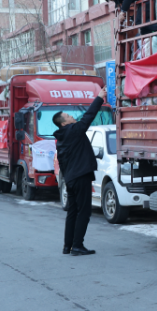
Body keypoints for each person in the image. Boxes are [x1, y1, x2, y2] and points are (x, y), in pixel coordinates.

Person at [53, 87, 106, 256]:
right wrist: (99, 98)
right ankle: (77, 246)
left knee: (73, 211)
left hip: (71, 179)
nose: (72, 116)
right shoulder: (73, 131)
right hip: (81, 177)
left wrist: (68, 179)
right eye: (68, 116)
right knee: (84, 211)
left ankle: (67, 246)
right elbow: (88, 117)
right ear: (64, 123)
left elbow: (62, 162)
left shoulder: (61, 139)